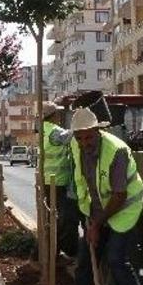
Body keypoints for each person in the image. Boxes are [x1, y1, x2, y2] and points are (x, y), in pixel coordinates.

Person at [55, 108, 143, 285]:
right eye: (79, 137)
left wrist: (97, 224)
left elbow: (120, 195)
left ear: (97, 130)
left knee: (116, 260)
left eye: (88, 136)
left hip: (123, 210)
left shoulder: (116, 151)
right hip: (98, 211)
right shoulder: (77, 146)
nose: (84, 142)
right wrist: (90, 219)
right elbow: (86, 183)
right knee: (85, 263)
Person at [41, 101, 81, 258]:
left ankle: (53, 252)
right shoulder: (54, 131)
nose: (59, 116)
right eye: (58, 113)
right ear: (54, 115)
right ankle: (55, 253)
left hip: (48, 180)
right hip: (58, 182)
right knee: (63, 218)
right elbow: (71, 136)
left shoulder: (43, 129)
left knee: (54, 217)